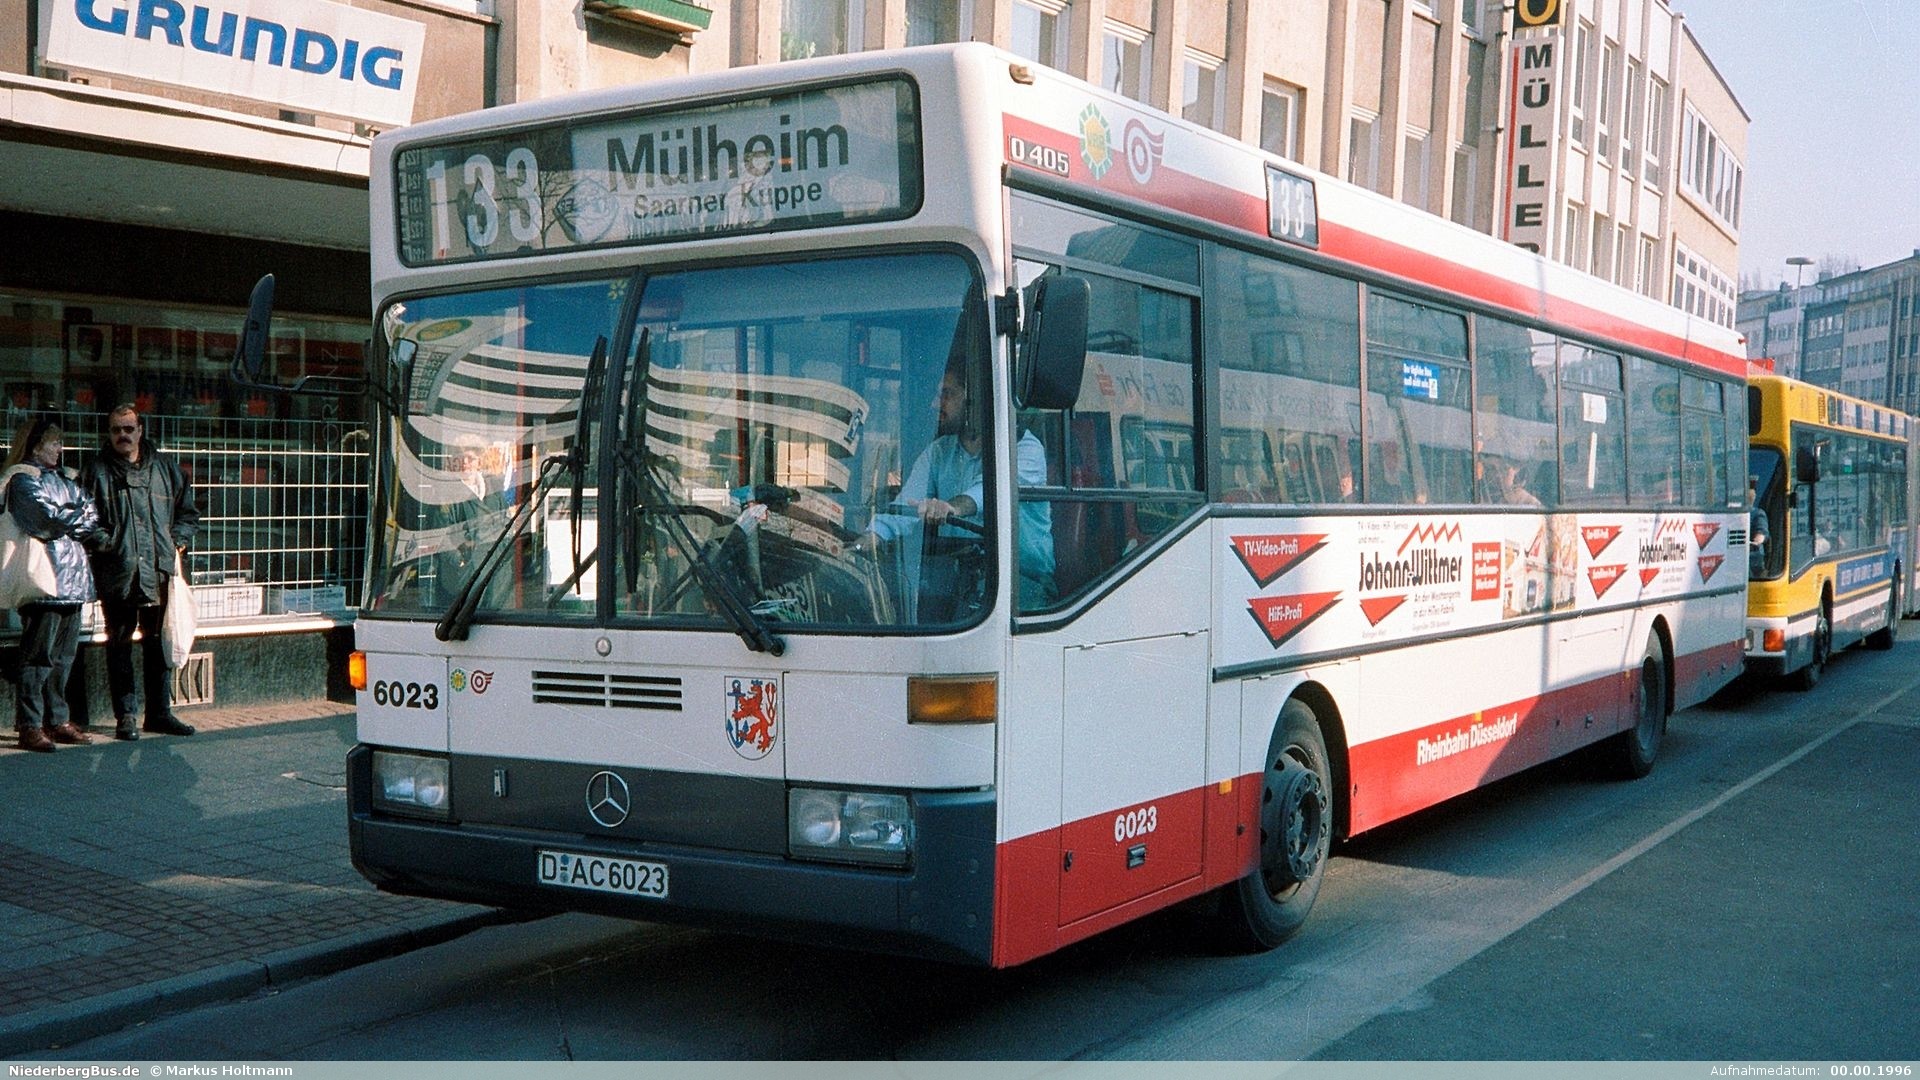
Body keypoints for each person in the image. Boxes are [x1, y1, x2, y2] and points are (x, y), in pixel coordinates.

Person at [867, 363, 1056, 610]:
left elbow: (987, 492)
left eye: (946, 394)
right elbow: (906, 504)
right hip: (961, 577)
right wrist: (869, 538)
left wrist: (950, 508)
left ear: (975, 400)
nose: (935, 404)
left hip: (1022, 583)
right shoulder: (939, 451)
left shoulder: (1025, 449)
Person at [80, 404, 200, 740]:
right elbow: (83, 520)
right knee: (119, 643)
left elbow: (188, 513)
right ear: (109, 433)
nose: (123, 435)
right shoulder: (96, 471)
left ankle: (159, 713)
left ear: (140, 430)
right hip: (118, 572)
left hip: (159, 571)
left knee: (158, 642)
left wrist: (176, 542)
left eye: (129, 429)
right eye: (116, 429)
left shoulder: (165, 468)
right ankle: (126, 716)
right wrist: (110, 544)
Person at [3, 417, 102, 752]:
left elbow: (91, 515)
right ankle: (30, 724)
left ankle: (57, 720)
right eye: (54, 442)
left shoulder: (66, 479)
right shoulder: (22, 479)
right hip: (44, 580)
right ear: (35, 446)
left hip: (72, 579)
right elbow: (43, 520)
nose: (60, 448)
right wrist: (73, 517)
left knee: (63, 658)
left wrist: (67, 517)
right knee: (38, 657)